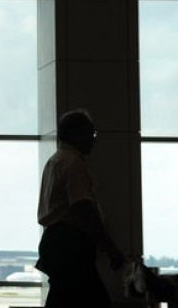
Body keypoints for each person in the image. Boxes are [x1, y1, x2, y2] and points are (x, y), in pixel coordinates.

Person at [35, 109, 124, 308]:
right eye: (91, 134)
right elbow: (83, 207)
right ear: (76, 134)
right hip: (70, 244)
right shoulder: (73, 163)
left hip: (56, 241)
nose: (94, 140)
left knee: (63, 298)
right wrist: (110, 248)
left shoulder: (55, 161)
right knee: (95, 301)